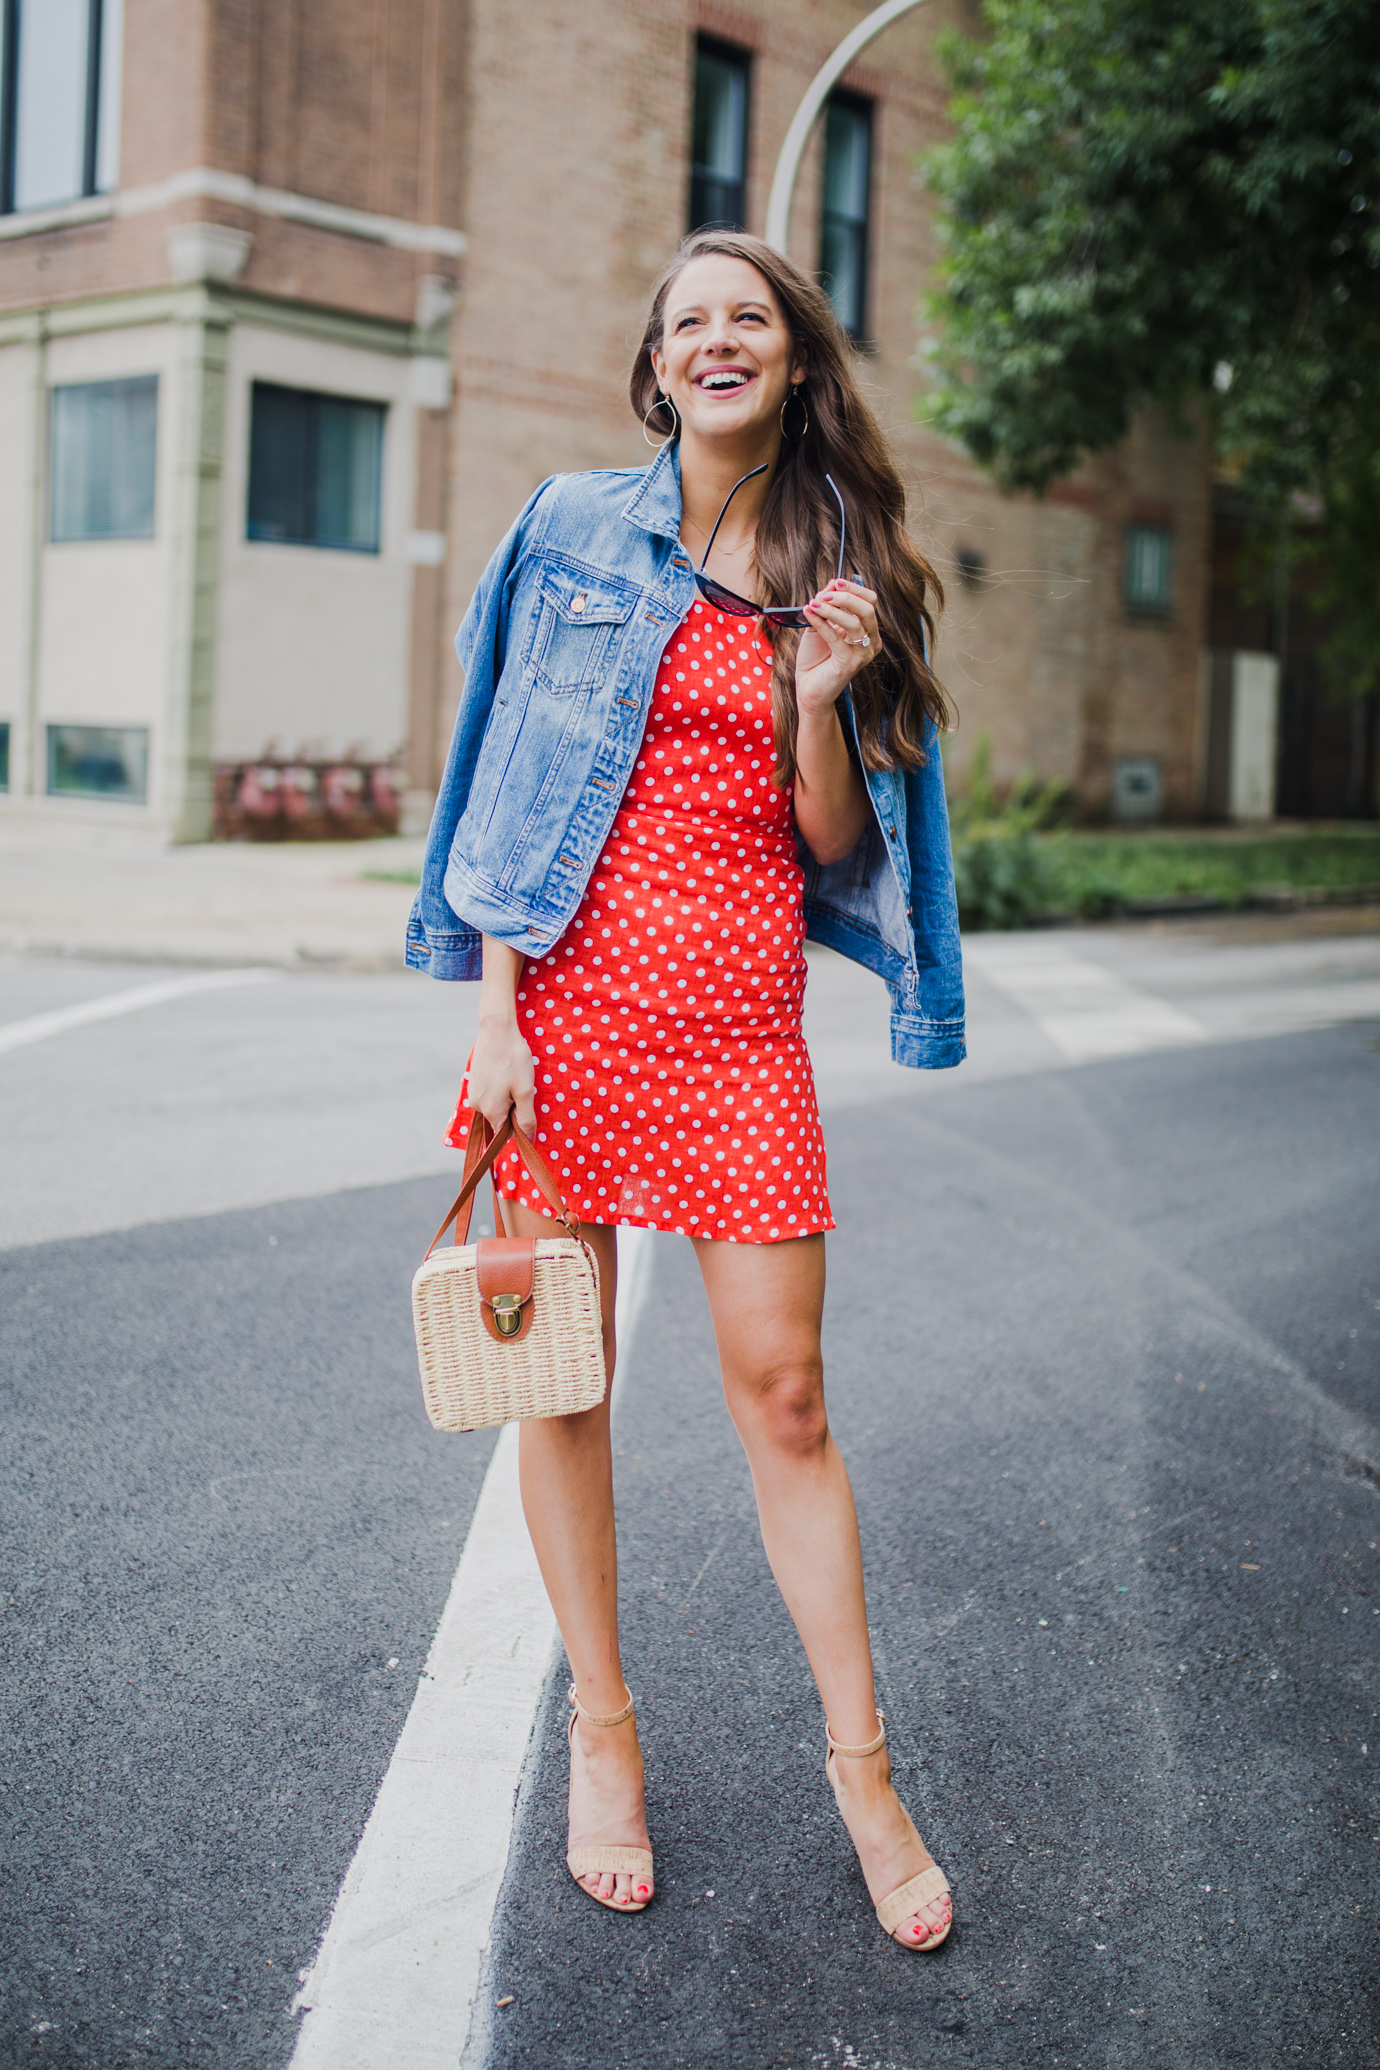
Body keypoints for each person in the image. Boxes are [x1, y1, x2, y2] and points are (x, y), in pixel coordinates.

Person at [407, 229, 965, 1951]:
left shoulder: (844, 565)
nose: (719, 341)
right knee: (560, 1380)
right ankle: (602, 1729)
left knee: (786, 1394)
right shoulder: (570, 525)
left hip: (734, 1025)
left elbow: (832, 843)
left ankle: (863, 1771)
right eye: (689, 323)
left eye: (752, 318)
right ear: (657, 369)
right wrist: (491, 1012)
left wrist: (819, 695)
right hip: (563, 1008)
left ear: (795, 359)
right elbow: (503, 762)